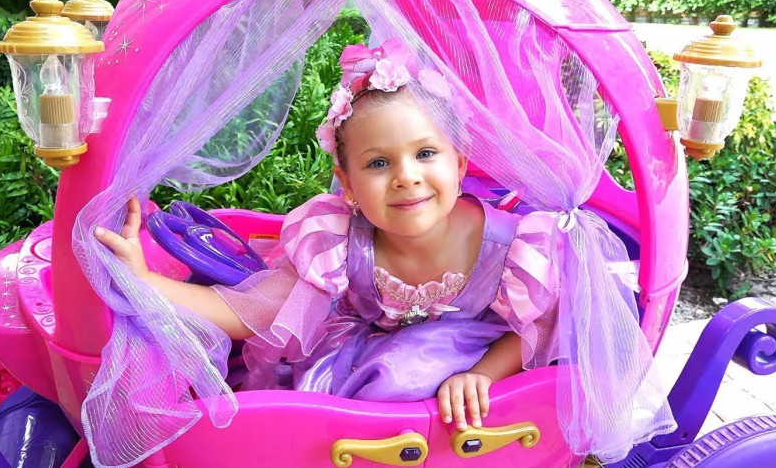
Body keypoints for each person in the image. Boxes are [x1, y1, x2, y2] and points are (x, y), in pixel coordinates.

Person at [94, 38, 558, 432]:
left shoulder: (514, 247)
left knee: (408, 371)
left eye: (425, 153)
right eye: (379, 163)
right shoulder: (336, 242)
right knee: (355, 391)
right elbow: (253, 313)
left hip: (470, 362)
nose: (406, 177)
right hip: (367, 368)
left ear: (459, 164)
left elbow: (542, 324)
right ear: (348, 184)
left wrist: (484, 374)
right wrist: (146, 281)